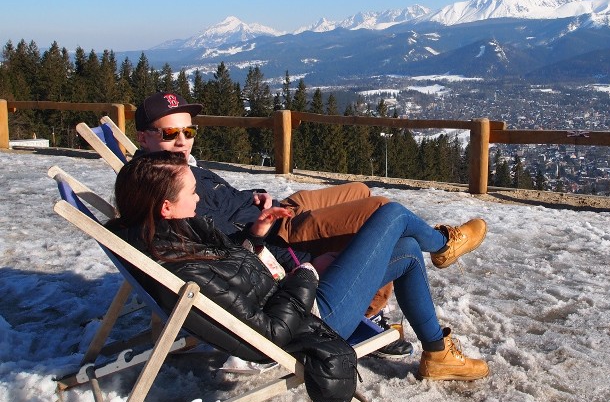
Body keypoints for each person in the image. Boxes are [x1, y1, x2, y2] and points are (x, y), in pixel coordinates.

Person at [109, 152, 490, 402]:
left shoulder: (171, 240)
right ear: (165, 207)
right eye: (191, 192)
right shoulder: (186, 266)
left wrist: (257, 236)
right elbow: (272, 330)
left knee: (405, 249)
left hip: (293, 302)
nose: (198, 197)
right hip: (314, 320)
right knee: (391, 214)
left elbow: (237, 279)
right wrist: (308, 274)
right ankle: (444, 245)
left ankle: (437, 353)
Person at [133, 91, 410, 356]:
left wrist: (252, 196)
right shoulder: (169, 188)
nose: (182, 141)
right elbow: (231, 249)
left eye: (188, 131)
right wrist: (288, 255)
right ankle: (368, 313)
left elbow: (224, 203)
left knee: (359, 190)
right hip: (279, 231)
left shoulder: (185, 167)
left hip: (270, 210)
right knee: (380, 211)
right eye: (170, 133)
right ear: (143, 138)